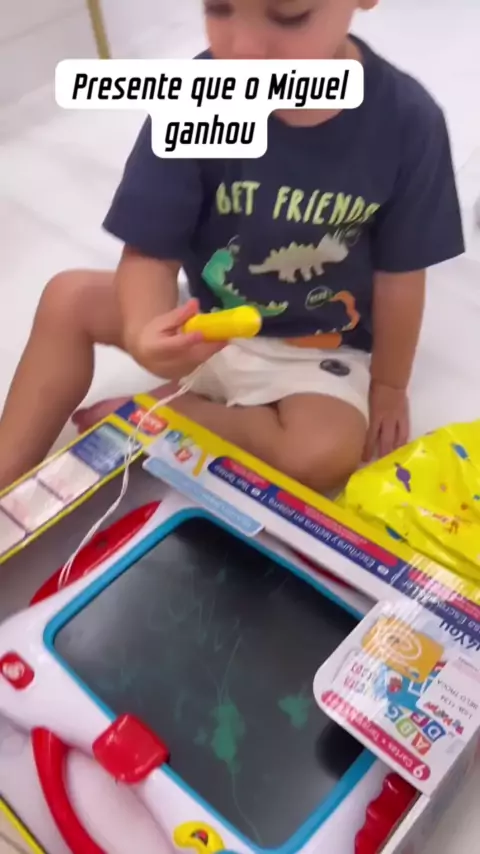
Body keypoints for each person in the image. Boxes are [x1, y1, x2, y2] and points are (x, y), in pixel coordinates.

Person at [0, 0, 464, 494]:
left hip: (314, 350)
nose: (243, 49)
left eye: (289, 17)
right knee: (69, 298)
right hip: (205, 320)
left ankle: (166, 416)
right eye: (218, 8)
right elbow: (150, 250)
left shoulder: (407, 123)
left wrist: (390, 386)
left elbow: (400, 277)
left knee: (325, 452)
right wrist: (145, 328)